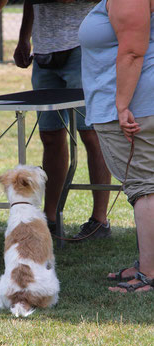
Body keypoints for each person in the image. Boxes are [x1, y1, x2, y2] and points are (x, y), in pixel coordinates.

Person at [14, 0, 112, 240]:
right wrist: (24, 37)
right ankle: (50, 218)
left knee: (90, 132)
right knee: (50, 135)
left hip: (82, 46)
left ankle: (100, 220)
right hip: (44, 51)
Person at [79, 0, 154, 292]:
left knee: (145, 188)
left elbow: (133, 51)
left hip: (135, 104)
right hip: (140, 100)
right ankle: (146, 263)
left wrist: (121, 104)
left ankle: (148, 274)